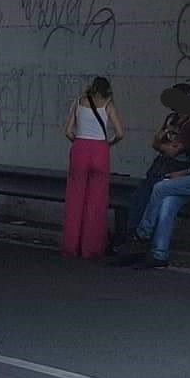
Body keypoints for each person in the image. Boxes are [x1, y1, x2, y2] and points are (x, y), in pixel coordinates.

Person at [113, 88, 190, 269]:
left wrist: (183, 173)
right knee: (168, 203)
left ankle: (141, 236)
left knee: (161, 188)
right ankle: (159, 254)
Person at [112, 82, 190, 255]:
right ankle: (130, 239)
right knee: (137, 199)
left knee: (153, 201)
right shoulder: (171, 118)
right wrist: (162, 145)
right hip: (159, 166)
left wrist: (162, 144)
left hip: (175, 168)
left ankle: (142, 242)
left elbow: (174, 150)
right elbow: (156, 142)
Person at [61, 76, 125, 259]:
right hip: (100, 150)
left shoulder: (78, 102)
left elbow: (67, 131)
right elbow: (120, 133)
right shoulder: (108, 104)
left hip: (80, 149)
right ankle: (91, 248)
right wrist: (107, 144)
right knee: (96, 201)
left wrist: (79, 142)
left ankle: (71, 247)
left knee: (75, 199)